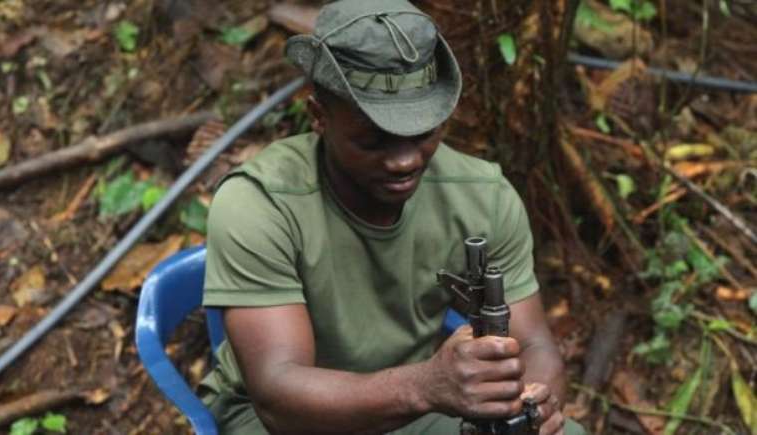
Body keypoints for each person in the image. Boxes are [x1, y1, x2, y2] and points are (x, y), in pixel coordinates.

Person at [198, 0, 585, 434]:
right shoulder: (261, 205)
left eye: (422, 134)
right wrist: (426, 385)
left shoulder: (482, 197)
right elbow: (278, 396)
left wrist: (534, 404)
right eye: (374, 141)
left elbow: (533, 343)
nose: (404, 161)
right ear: (319, 117)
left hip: (410, 402)